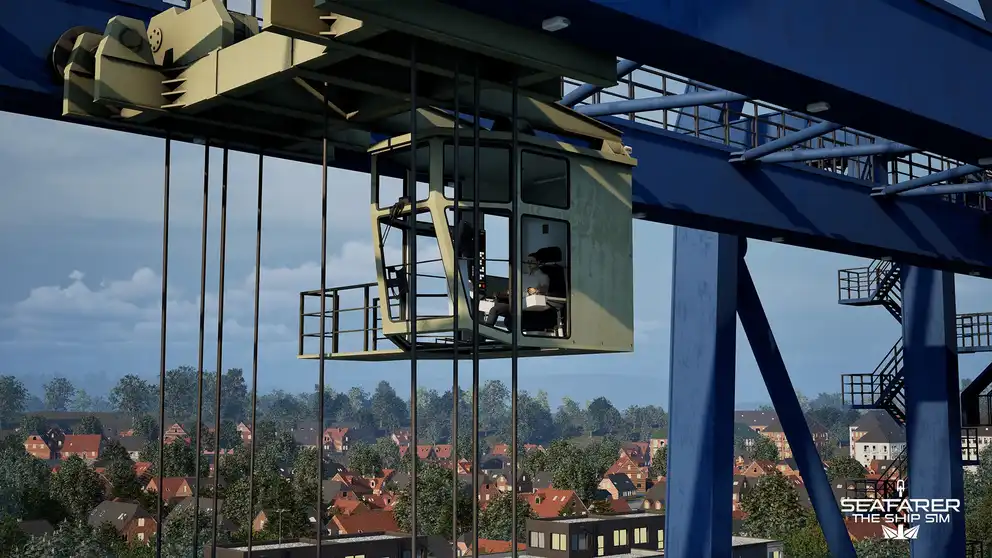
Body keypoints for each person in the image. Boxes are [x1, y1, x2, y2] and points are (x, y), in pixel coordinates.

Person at [484, 256, 548, 330]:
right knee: (495, 307)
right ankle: (486, 329)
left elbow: (544, 289)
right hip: (517, 303)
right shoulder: (523, 276)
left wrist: (536, 290)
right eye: (527, 262)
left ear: (538, 262)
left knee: (495, 310)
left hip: (527, 305)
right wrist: (504, 294)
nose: (529, 264)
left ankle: (486, 330)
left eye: (531, 261)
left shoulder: (543, 276)